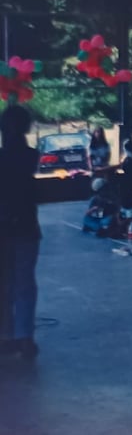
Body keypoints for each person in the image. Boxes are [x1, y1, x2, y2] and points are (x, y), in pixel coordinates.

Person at [0, 105, 42, 359]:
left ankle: (5, 335)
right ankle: (24, 336)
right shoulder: (31, 155)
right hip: (26, 225)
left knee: (5, 283)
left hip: (4, 227)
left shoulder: (3, 157)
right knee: (24, 282)